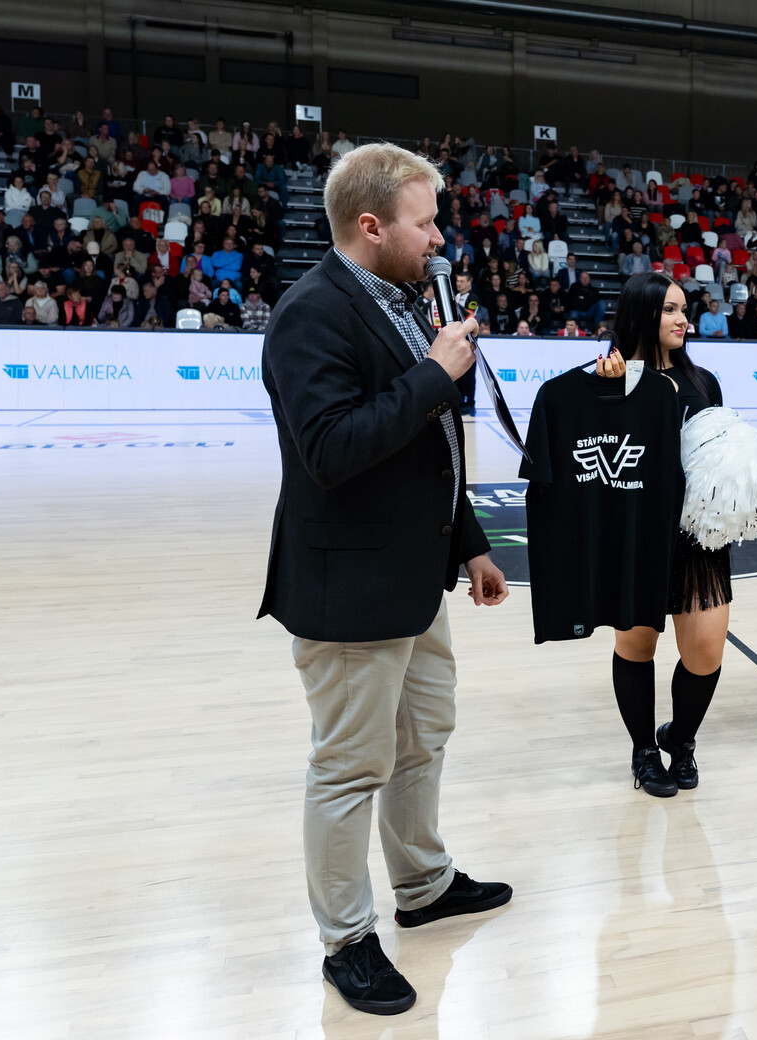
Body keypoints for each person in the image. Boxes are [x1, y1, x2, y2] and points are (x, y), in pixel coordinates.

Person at [258, 143, 512, 1016]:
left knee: (423, 737)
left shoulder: (401, 303)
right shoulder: (309, 314)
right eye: (425, 222)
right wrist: (435, 373)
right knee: (348, 767)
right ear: (371, 226)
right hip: (351, 590)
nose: (439, 239)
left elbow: (427, 450)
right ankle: (347, 941)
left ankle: (424, 884)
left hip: (415, 576)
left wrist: (472, 544)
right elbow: (331, 450)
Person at [594, 273, 732, 796]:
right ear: (642, 313)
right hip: (636, 535)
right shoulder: (610, 377)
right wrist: (615, 394)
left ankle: (681, 738)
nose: (683, 319)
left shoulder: (705, 381)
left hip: (698, 538)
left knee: (706, 653)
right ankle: (644, 751)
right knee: (636, 647)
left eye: (684, 309)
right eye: (670, 309)